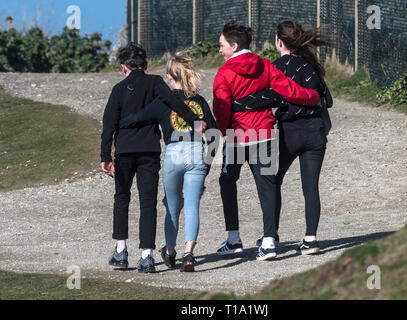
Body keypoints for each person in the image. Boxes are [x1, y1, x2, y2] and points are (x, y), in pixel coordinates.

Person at [213, 21, 320, 261]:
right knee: (267, 186)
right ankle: (269, 242)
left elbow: (221, 108)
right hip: (264, 133)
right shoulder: (264, 65)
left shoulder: (224, 73)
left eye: (221, 45)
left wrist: (222, 132)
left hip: (238, 135)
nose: (219, 50)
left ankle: (233, 239)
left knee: (227, 180)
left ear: (233, 45)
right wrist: (312, 97)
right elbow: (289, 89)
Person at [101, 43, 204, 273]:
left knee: (122, 198)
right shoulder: (156, 82)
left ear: (123, 67)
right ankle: (146, 256)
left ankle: (120, 251)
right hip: (149, 150)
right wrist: (194, 120)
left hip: (125, 151)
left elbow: (109, 123)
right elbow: (174, 102)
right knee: (147, 202)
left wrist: (105, 155)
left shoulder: (118, 89)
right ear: (146, 65)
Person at [119, 54, 217, 272]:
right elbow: (214, 134)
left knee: (172, 207)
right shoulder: (200, 101)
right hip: (195, 151)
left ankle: (170, 251)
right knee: (192, 207)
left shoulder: (164, 101)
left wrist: (119, 121)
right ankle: (189, 253)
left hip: (173, 153)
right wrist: (207, 163)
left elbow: (138, 118)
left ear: (171, 77)